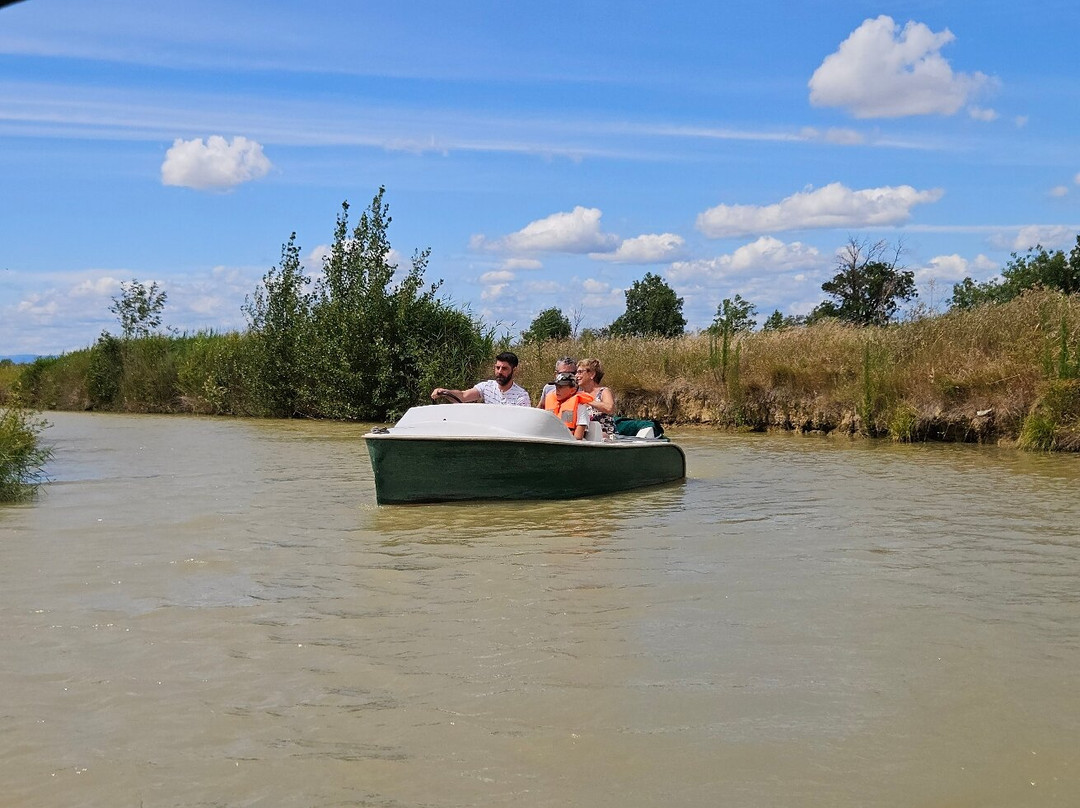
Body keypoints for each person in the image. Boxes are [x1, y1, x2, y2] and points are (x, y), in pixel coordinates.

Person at [430, 352, 531, 406]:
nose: (499, 371)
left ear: (515, 370)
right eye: (497, 367)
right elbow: (463, 396)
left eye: (504, 368)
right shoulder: (487, 386)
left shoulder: (521, 396)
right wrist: (443, 392)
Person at [542, 371, 593, 440]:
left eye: (561, 387)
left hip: (568, 443)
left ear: (572, 390)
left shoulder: (580, 408)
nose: (557, 390)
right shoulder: (550, 402)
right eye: (556, 386)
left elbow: (578, 437)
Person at [575, 358, 616, 439]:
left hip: (605, 436)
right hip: (583, 435)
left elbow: (609, 408)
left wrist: (588, 400)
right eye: (576, 372)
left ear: (592, 374)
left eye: (580, 372)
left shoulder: (604, 391)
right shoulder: (577, 393)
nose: (576, 376)